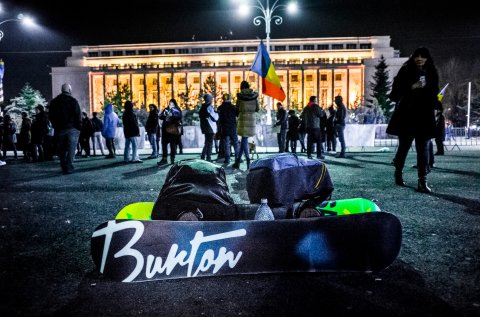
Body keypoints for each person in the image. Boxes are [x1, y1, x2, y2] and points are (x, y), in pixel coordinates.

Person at [387, 47, 439, 193]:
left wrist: (436, 105)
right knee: (404, 147)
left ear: (427, 58)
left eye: (423, 56)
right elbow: (395, 93)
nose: (419, 59)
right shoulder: (405, 70)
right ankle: (398, 172)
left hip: (424, 116)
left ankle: (422, 181)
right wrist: (412, 86)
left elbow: (435, 92)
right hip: (407, 116)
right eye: (417, 56)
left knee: (422, 149)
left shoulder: (432, 72)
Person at [48, 83, 82, 174]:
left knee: (61, 149)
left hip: (59, 129)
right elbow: (78, 115)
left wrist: (55, 125)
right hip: (72, 128)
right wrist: (79, 127)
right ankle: (69, 167)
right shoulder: (73, 101)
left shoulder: (54, 102)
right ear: (69, 90)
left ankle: (64, 166)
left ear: (62, 90)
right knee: (71, 148)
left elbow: (50, 115)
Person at [233, 81, 259, 169]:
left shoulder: (240, 97)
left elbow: (237, 108)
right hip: (251, 120)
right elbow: (257, 108)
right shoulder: (254, 96)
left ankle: (248, 160)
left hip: (243, 120)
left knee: (244, 139)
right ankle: (237, 161)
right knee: (244, 140)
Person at [158, 99, 182, 165]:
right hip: (165, 130)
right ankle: (164, 159)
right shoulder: (166, 109)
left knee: (172, 145)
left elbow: (179, 117)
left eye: (172, 103)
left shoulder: (177, 110)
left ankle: (172, 158)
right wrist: (165, 114)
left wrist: (172, 115)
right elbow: (160, 116)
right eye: (170, 103)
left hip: (173, 130)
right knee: (164, 145)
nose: (170, 104)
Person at [301, 96, 325, 160]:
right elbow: (320, 115)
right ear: (314, 100)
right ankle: (319, 155)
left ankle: (309, 154)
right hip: (315, 126)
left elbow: (302, 116)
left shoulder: (306, 107)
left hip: (308, 126)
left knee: (310, 141)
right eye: (316, 100)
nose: (317, 101)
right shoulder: (315, 106)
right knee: (318, 141)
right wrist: (322, 110)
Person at [217, 93, 238, 164]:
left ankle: (227, 159)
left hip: (224, 128)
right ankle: (237, 158)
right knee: (235, 143)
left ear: (223, 99)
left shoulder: (220, 108)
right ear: (229, 98)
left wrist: (219, 129)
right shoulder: (233, 107)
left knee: (226, 144)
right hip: (233, 128)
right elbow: (238, 114)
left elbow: (219, 120)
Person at [199, 93, 219, 162]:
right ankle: (208, 158)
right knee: (209, 143)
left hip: (205, 127)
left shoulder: (202, 107)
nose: (212, 100)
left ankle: (203, 156)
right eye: (211, 99)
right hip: (210, 127)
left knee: (207, 142)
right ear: (209, 100)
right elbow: (215, 118)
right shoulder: (209, 107)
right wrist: (217, 113)